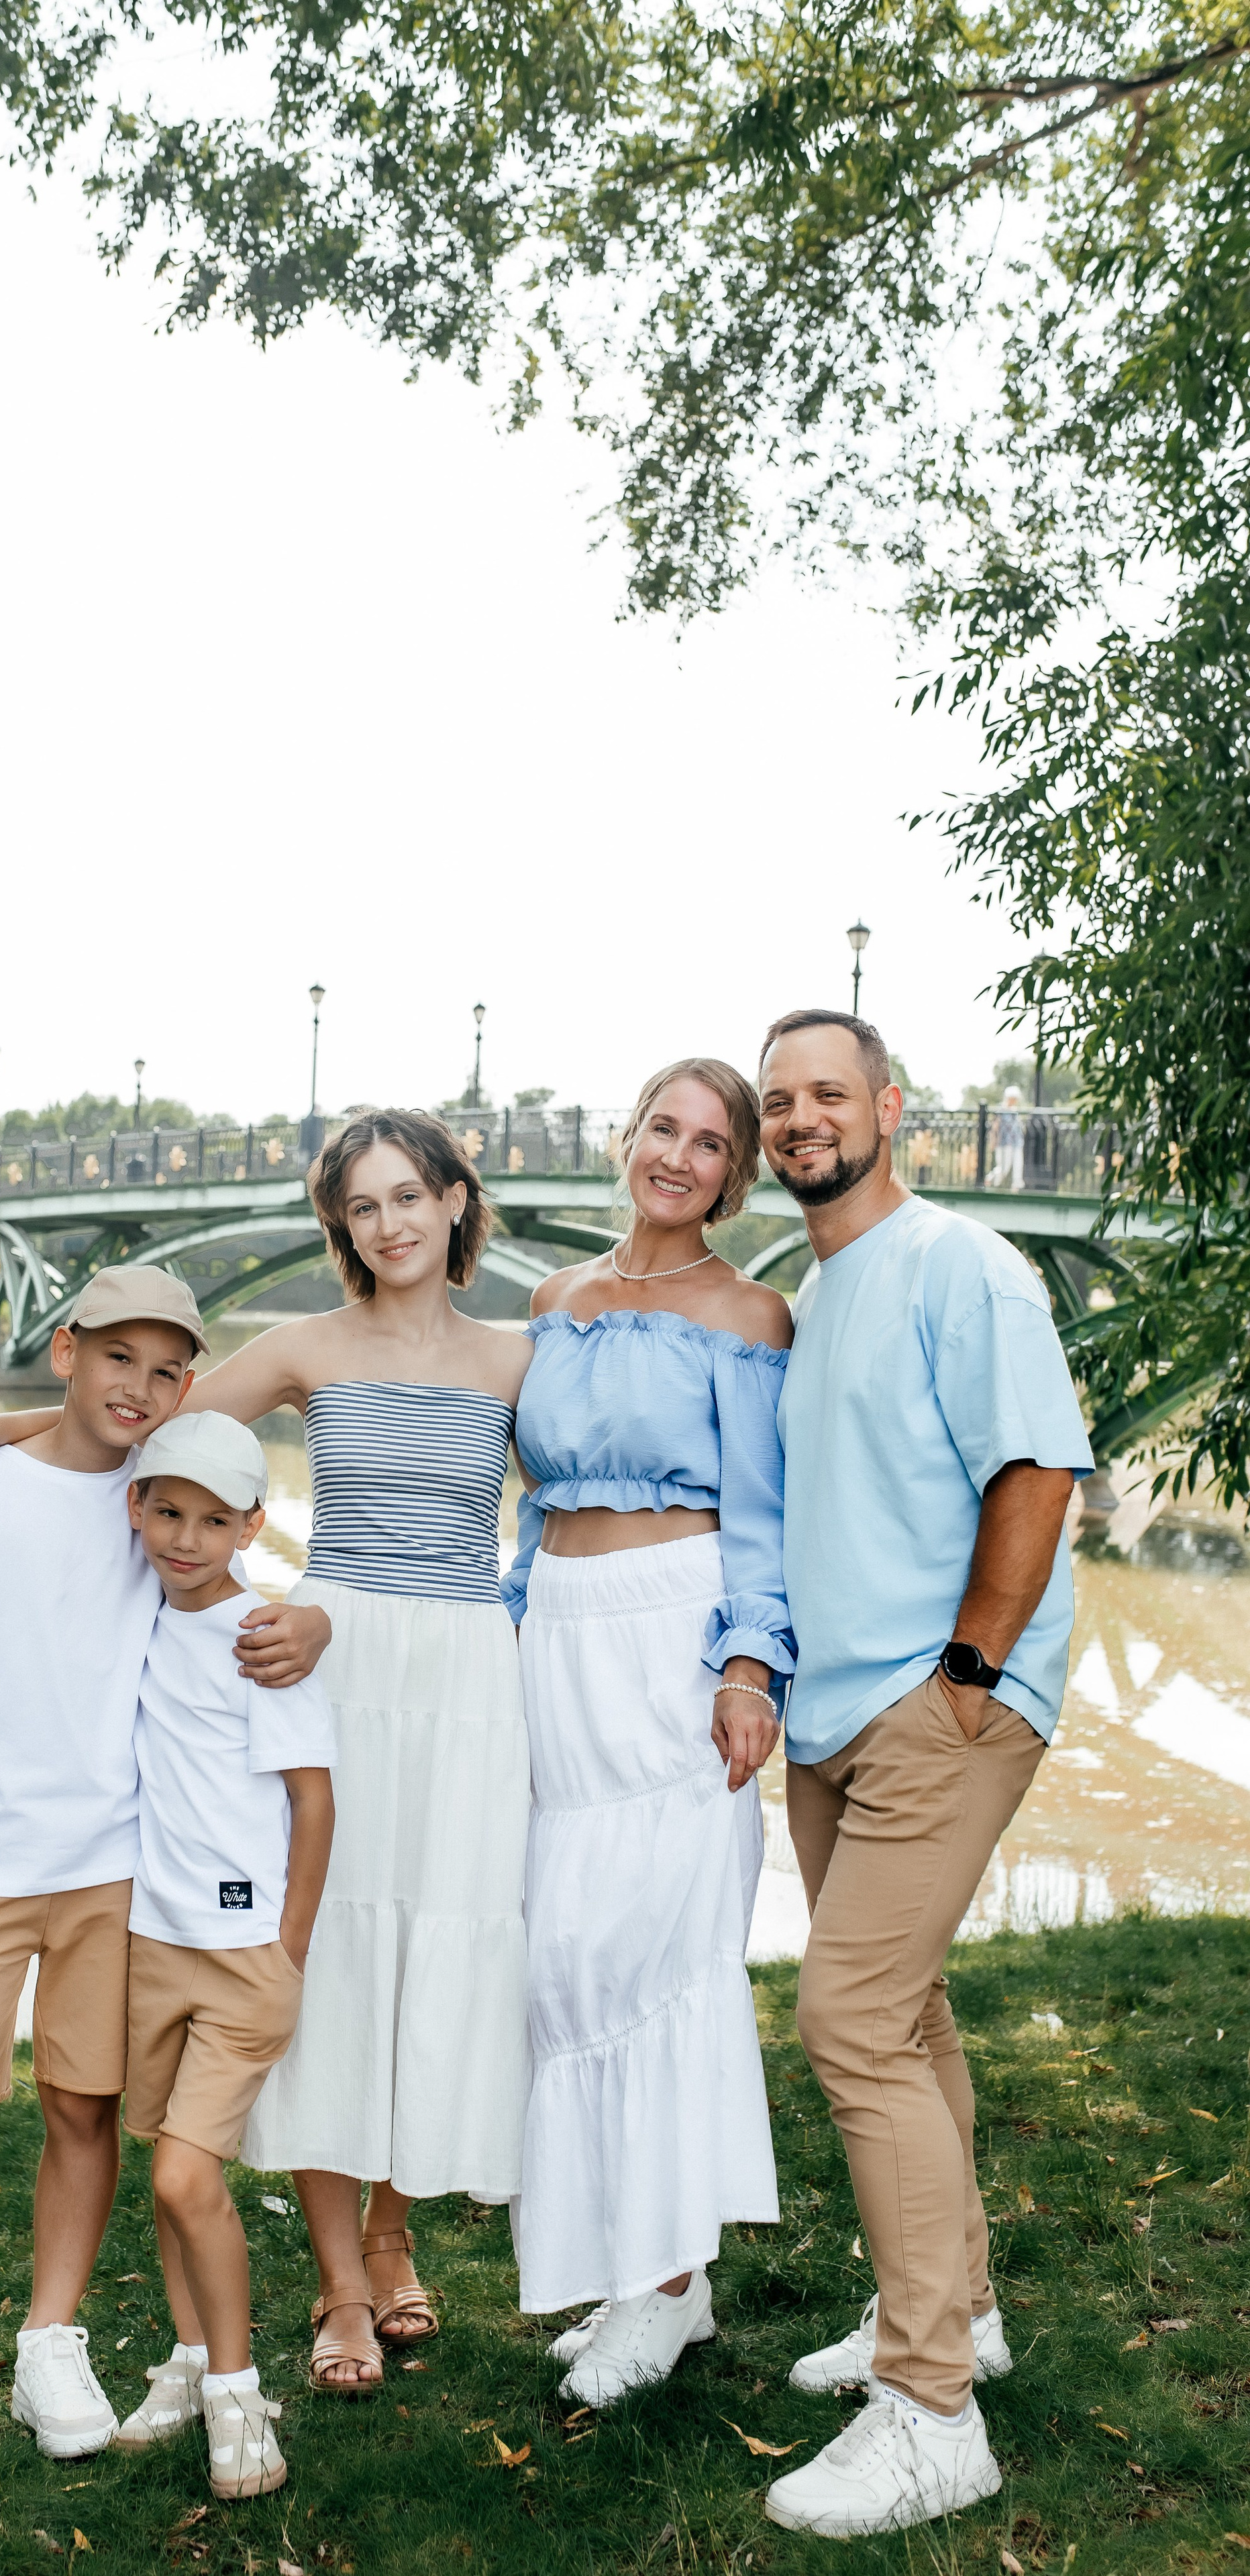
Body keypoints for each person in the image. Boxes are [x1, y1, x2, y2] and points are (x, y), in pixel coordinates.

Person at [0, 1108, 531, 2396]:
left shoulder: (523, 1357)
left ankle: (396, 2230)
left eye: (412, 1195)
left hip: (467, 1675)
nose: (390, 1223)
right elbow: (146, 1427)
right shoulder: (308, 1346)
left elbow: (583, 1509)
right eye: (362, 1207)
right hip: (323, 1650)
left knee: (442, 1941)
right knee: (337, 1953)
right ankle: (340, 2289)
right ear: (342, 1228)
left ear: (459, 1201)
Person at [0, 1269, 331, 2488]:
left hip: (116, 1876)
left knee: (83, 2114)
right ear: (65, 1351)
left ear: (187, 1389)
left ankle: (53, 2336)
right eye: (116, 1359)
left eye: (164, 1370)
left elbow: (261, 1564)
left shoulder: (160, 1502)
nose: (136, 1387)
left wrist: (324, 1621)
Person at [755, 1010, 1092, 2539]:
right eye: (777, 1101)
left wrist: (967, 1669)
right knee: (910, 2010)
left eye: (826, 1092)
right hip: (834, 1714)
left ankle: (930, 2413)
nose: (798, 1119)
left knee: (847, 2018)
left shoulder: (960, 1264)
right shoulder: (814, 1295)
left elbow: (1035, 1467)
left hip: (935, 1702)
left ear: (888, 1106)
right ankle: (958, 2312)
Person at [503, 1058, 792, 2407]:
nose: (677, 1156)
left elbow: (763, 1515)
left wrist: (747, 1664)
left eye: (708, 1143)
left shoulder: (750, 1315)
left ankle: (666, 2285)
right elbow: (521, 1508)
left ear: (733, 1177)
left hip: (674, 1639)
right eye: (660, 1129)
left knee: (662, 1953)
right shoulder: (550, 1306)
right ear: (626, 1140)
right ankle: (645, 2264)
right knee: (567, 1956)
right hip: (559, 1632)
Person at [111, 1412, 335, 2500]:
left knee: (185, 2173)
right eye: (168, 1513)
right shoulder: (134, 1618)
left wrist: (286, 1948)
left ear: (252, 1524)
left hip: (245, 1954)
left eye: (213, 1520)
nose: (187, 1539)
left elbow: (313, 1801)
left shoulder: (265, 1638)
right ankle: (193, 2357)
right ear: (137, 1511)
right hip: (153, 1946)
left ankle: (241, 2396)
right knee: (164, 2169)